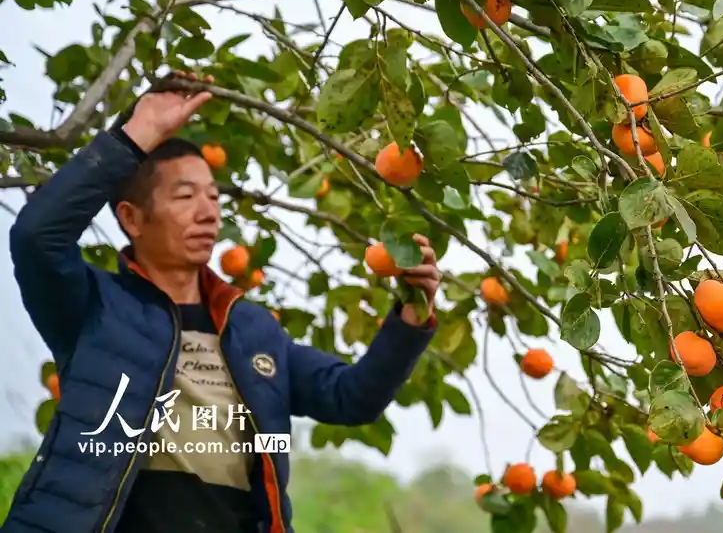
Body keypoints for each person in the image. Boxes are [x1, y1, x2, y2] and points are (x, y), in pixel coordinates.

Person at [2, 74, 440, 533]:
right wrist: (135, 136)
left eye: (213, 197)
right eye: (185, 196)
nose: (208, 212)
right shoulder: (95, 308)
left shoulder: (253, 331)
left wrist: (411, 318)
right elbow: (36, 236)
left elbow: (351, 397)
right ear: (131, 219)